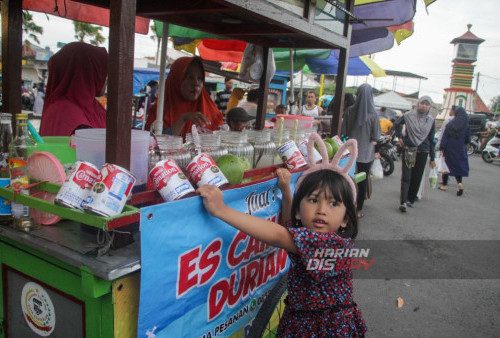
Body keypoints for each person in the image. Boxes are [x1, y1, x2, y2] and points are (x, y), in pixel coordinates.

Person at [197, 142, 366, 336]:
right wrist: (286, 192)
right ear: (300, 208)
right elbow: (290, 225)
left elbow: (280, 235)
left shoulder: (330, 243)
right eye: (313, 200)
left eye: (333, 203)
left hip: (323, 328)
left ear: (345, 219)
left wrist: (221, 210)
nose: (322, 210)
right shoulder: (308, 235)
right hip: (303, 318)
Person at [40, 42, 108, 136]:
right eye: (103, 74)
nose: (105, 80)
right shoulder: (66, 111)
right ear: (88, 74)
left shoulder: (92, 106)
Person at [145, 56, 223, 139]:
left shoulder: (211, 111)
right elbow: (154, 143)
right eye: (189, 77)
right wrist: (183, 119)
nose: (196, 83)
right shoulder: (159, 112)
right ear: (176, 79)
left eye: (200, 78)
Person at [341, 83, 380, 219]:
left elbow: (344, 132)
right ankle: (358, 210)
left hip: (349, 153)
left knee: (348, 179)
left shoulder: (350, 111)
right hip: (366, 154)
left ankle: (345, 206)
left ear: (357, 95)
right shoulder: (373, 115)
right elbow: (376, 136)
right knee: (362, 181)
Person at [393, 95, 436, 212]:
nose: (424, 106)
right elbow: (396, 123)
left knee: (417, 177)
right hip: (409, 149)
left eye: (427, 104)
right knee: (406, 176)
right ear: (418, 103)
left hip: (423, 151)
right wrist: (400, 137)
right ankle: (403, 201)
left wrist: (433, 157)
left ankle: (410, 199)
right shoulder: (408, 116)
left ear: (429, 107)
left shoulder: (431, 121)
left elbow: (432, 140)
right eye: (422, 103)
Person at [438, 106, 470, 196]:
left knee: (446, 166)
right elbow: (468, 139)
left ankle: (444, 185)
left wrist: (442, 148)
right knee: (458, 167)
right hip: (460, 148)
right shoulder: (466, 126)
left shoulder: (450, 124)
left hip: (449, 148)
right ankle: (459, 183)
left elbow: (445, 137)